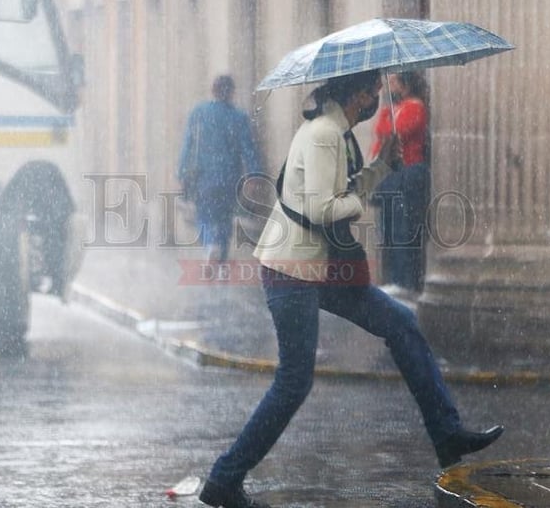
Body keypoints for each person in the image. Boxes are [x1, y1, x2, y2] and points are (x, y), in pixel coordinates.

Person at [199, 70, 503, 508]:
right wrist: (361, 199)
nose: (377, 98)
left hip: (321, 265)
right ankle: (223, 480)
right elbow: (324, 209)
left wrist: (382, 166)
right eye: (372, 91)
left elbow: (340, 191)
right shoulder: (325, 134)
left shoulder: (337, 133)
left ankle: (447, 434)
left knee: (401, 321)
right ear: (356, 94)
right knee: (293, 381)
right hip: (293, 268)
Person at [177, 75, 262, 261]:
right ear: (231, 93)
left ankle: (209, 245)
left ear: (213, 91)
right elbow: (248, 148)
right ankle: (221, 259)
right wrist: (255, 174)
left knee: (204, 215)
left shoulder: (198, 113)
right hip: (230, 177)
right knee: (224, 220)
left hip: (203, 177)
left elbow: (188, 145)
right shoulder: (239, 117)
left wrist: (182, 172)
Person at [370, 71, 430, 292]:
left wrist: (387, 121)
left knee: (403, 229)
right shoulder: (394, 109)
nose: (390, 86)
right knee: (390, 229)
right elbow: (382, 131)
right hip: (392, 174)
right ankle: (394, 278)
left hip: (408, 171)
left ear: (406, 84)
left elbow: (396, 132)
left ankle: (405, 281)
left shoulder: (416, 107)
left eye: (394, 81)